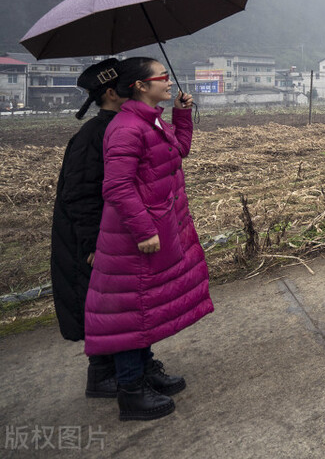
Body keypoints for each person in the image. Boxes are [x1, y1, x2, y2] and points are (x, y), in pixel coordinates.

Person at [84, 57, 213, 422]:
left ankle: (145, 370)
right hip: (135, 236)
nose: (169, 82)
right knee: (131, 312)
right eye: (162, 78)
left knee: (144, 306)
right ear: (140, 86)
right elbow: (118, 186)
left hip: (156, 226)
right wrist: (145, 231)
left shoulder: (149, 120)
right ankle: (131, 390)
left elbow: (178, 151)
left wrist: (181, 116)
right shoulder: (126, 128)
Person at [49, 59, 127, 399]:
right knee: (101, 301)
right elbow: (80, 194)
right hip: (92, 237)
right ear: (111, 93)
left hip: (110, 232)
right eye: (130, 85)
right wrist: (95, 242)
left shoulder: (118, 126)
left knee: (116, 301)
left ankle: (124, 367)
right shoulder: (93, 135)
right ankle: (101, 373)